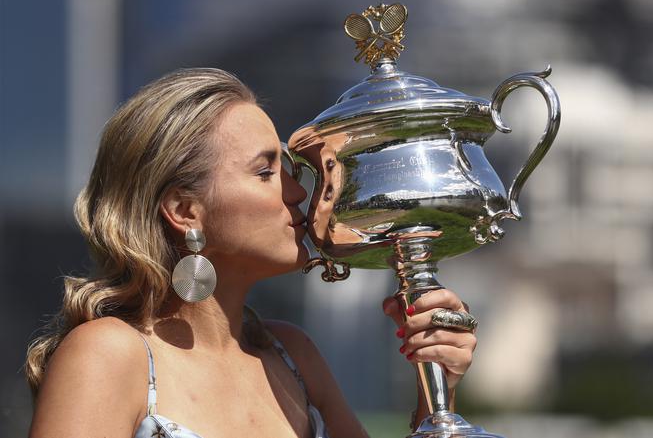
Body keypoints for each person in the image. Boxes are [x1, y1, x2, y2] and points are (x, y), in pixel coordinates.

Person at [25, 68, 477, 438]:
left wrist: (435, 392)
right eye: (265, 171)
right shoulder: (108, 354)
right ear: (185, 210)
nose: (298, 191)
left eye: (288, 170)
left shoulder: (294, 356)